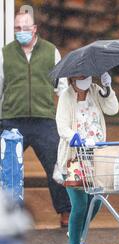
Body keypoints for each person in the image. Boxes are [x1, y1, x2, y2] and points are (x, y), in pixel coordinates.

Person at [0, 12, 71, 228]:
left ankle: (65, 213)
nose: (21, 32)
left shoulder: (51, 52)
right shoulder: (5, 53)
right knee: (6, 168)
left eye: (25, 27)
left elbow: (63, 88)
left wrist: (67, 118)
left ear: (35, 28)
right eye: (17, 28)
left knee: (56, 166)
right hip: (12, 119)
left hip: (44, 119)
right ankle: (6, 212)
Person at [56, 72, 119, 244]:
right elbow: (62, 125)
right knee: (80, 204)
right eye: (80, 76)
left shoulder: (95, 90)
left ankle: (75, 231)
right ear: (72, 79)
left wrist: (108, 90)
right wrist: (74, 137)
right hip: (75, 156)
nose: (85, 79)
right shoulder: (66, 96)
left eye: (87, 75)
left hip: (97, 155)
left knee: (97, 200)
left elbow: (113, 109)